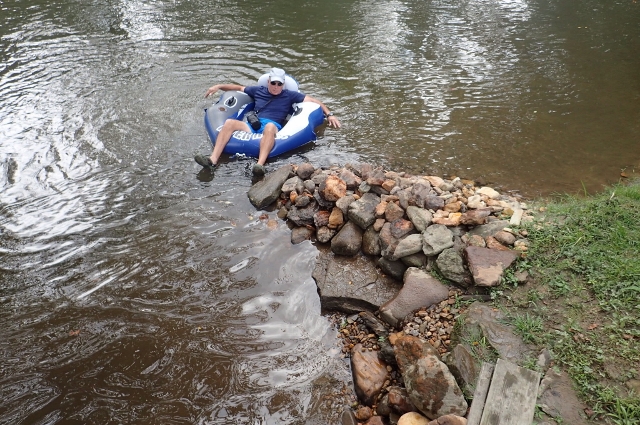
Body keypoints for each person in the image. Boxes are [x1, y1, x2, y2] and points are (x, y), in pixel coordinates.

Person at [195, 67, 341, 176]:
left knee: (269, 127)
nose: (276, 87)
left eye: (279, 84)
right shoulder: (258, 90)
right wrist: (219, 86)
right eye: (273, 83)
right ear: (268, 81)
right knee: (229, 123)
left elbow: (314, 101)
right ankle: (212, 160)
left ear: (283, 84)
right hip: (253, 124)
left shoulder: (290, 95)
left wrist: (330, 115)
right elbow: (238, 87)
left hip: (272, 126)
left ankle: (259, 165)